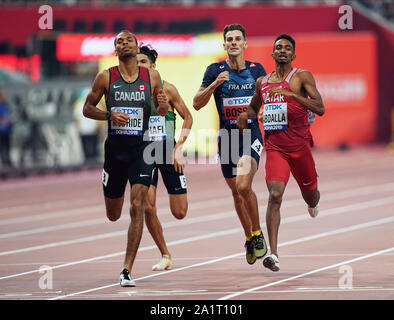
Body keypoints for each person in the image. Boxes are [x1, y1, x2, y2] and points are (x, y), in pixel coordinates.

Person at [83, 30, 168, 286]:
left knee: (138, 204)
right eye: (119, 41)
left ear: (136, 45)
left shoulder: (152, 76)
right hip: (115, 152)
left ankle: (126, 269)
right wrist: (109, 116)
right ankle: (126, 265)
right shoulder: (105, 77)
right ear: (115, 49)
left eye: (128, 40)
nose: (124, 43)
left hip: (142, 150)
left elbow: (160, 112)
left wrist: (162, 104)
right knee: (113, 213)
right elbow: (88, 108)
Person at [237, 34, 325, 272]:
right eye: (278, 48)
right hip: (275, 148)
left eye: (287, 48)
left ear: (293, 54)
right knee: (275, 194)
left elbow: (320, 108)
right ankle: (274, 254)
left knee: (312, 197)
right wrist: (247, 117)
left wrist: (294, 96)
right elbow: (254, 109)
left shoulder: (302, 77)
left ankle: (312, 202)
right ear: (273, 54)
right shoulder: (262, 82)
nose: (283, 50)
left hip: (300, 148)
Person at [193, 24, 268, 265]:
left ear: (245, 44)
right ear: (224, 45)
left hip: (250, 134)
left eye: (238, 39)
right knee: (236, 193)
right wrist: (215, 84)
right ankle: (248, 237)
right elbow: (196, 103)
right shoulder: (214, 70)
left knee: (244, 186)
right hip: (226, 138)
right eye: (229, 39)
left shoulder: (257, 70)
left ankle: (257, 234)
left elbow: (267, 98)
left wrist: (261, 113)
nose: (233, 42)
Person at [137, 44, 193, 271]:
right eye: (136, 62)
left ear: (153, 66)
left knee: (179, 213)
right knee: (148, 207)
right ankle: (165, 254)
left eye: (143, 62)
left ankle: (165, 252)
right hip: (144, 153)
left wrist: (179, 147)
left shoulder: (167, 89)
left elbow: (188, 117)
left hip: (167, 151)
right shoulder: (130, 93)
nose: (139, 66)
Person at [0, 89, 13, 168]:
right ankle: (4, 161)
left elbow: (9, 115)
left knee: (8, 146)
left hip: (7, 129)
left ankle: (8, 160)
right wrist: (5, 120)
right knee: (2, 146)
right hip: (1, 130)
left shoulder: (6, 105)